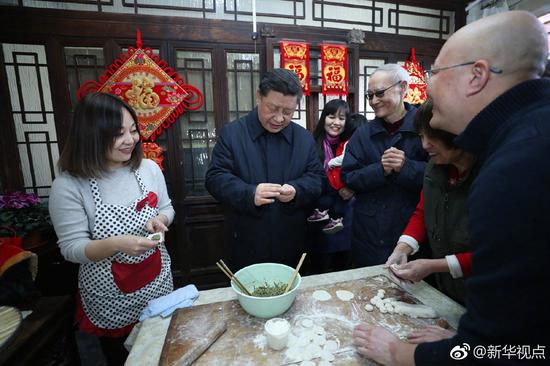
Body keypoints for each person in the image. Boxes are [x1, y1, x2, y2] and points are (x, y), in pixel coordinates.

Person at [354, 11, 550, 365]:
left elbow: (503, 347)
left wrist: (401, 352)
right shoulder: (528, 132)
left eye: (434, 73)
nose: (426, 87)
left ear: (477, 75)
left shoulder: (518, 167)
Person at [49, 92, 174, 365]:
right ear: (91, 136)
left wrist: (161, 220)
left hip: (157, 282)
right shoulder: (70, 186)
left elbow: (167, 207)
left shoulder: (148, 168)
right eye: (118, 134)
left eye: (133, 130)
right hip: (110, 296)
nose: (131, 140)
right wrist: (117, 244)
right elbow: (71, 249)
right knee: (123, 358)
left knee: (163, 352)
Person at [205, 68, 324, 271]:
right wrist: (249, 193)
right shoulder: (233, 134)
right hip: (247, 241)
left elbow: (318, 179)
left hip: (292, 242)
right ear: (259, 97)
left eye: (287, 112)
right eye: (273, 108)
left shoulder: (303, 138)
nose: (279, 118)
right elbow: (215, 178)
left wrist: (296, 190)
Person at [385, 99, 476, 305]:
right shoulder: (435, 167)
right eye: (421, 136)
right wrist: (402, 249)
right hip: (449, 287)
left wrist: (434, 266)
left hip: (484, 292)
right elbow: (423, 212)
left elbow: (497, 255)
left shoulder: (491, 174)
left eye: (432, 136)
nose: (425, 145)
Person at [341, 63, 428, 267]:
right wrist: (380, 170)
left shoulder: (425, 127)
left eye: (379, 93)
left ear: (403, 88)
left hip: (411, 233)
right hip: (367, 234)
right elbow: (348, 177)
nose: (374, 101)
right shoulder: (363, 134)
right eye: (369, 95)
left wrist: (406, 167)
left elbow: (440, 176)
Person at [307, 99, 353, 234]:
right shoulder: (311, 143)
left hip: (344, 212)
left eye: (341, 118)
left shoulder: (351, 144)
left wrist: (352, 187)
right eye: (331, 117)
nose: (336, 122)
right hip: (317, 211)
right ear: (324, 118)